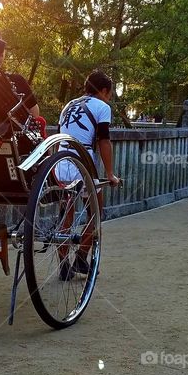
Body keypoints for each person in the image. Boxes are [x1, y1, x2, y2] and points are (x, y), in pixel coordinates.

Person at [55, 70, 121, 280]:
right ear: (103, 91)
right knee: (96, 212)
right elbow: (103, 141)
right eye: (109, 93)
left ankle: (64, 266)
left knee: (66, 215)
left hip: (59, 162)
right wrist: (110, 174)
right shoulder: (102, 107)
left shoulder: (68, 105)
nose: (108, 97)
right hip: (82, 164)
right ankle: (82, 257)